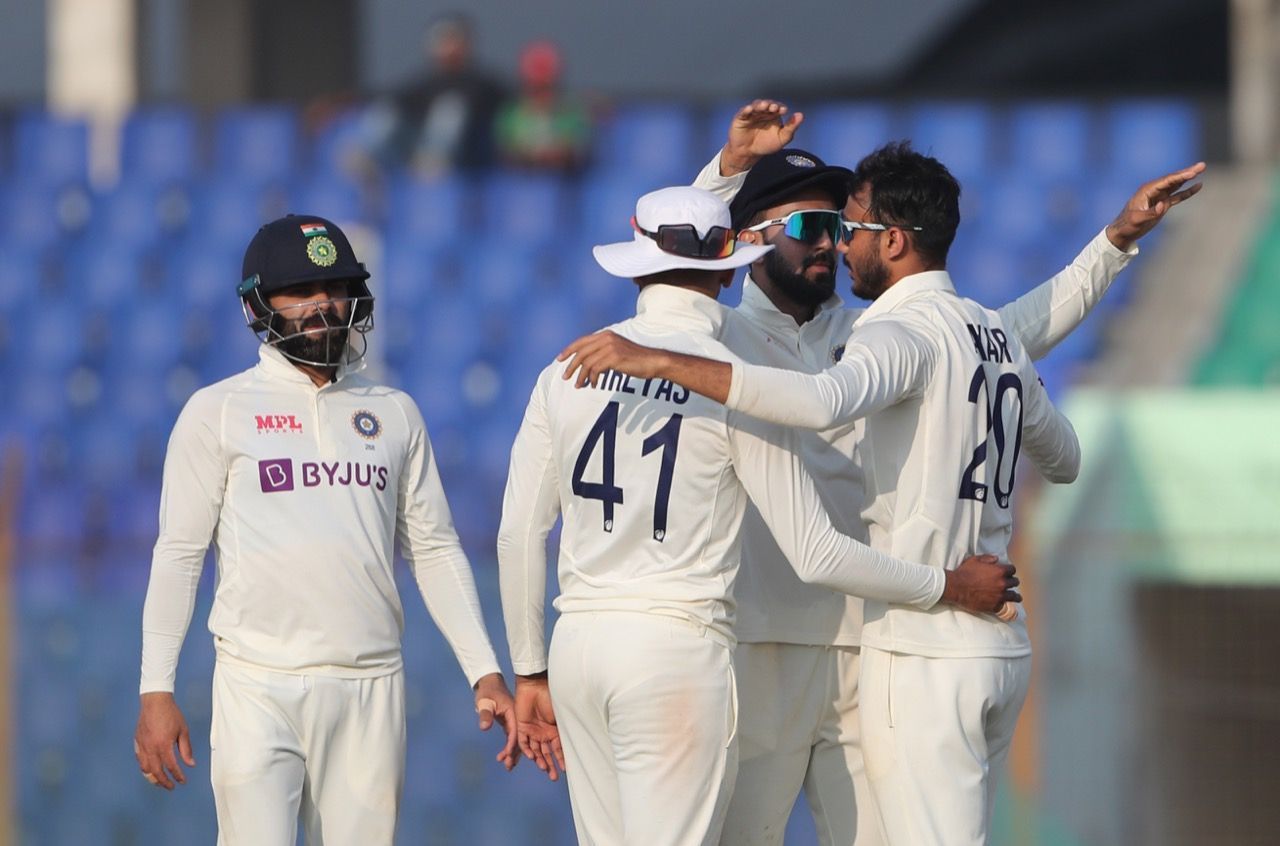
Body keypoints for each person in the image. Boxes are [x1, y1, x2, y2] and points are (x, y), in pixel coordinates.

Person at [559, 142, 1203, 845]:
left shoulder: (875, 331)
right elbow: (677, 265)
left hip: (873, 644)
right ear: (744, 242)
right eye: (810, 228)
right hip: (758, 646)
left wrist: (1111, 245)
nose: (832, 244)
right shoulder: (719, 336)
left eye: (840, 226)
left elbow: (1006, 335)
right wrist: (722, 173)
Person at [496, 185, 1021, 846]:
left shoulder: (568, 366)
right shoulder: (732, 378)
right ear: (728, 267)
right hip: (676, 649)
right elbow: (817, 552)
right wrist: (949, 585)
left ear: (637, 260)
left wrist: (530, 669)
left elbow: (519, 532)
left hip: (577, 646)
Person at [133, 214, 520, 845]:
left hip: (371, 683)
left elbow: (433, 548)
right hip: (257, 684)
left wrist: (485, 670)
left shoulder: (393, 412)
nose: (322, 306)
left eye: (336, 288)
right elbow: (178, 555)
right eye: (299, 292)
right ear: (259, 305)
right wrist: (156, 690)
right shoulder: (217, 412)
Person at [358, 13, 507, 175]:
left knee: (450, 109)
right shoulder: (424, 82)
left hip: (464, 160)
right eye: (442, 40)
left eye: (453, 39)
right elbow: (394, 99)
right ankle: (365, 160)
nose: (448, 46)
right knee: (386, 111)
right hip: (415, 151)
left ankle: (432, 163)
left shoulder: (482, 83)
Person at [493, 40, 592, 172]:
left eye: (545, 88)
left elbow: (577, 150)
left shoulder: (572, 113)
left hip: (563, 184)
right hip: (519, 185)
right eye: (536, 89)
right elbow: (505, 151)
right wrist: (529, 155)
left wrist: (555, 154)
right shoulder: (511, 114)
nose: (541, 96)